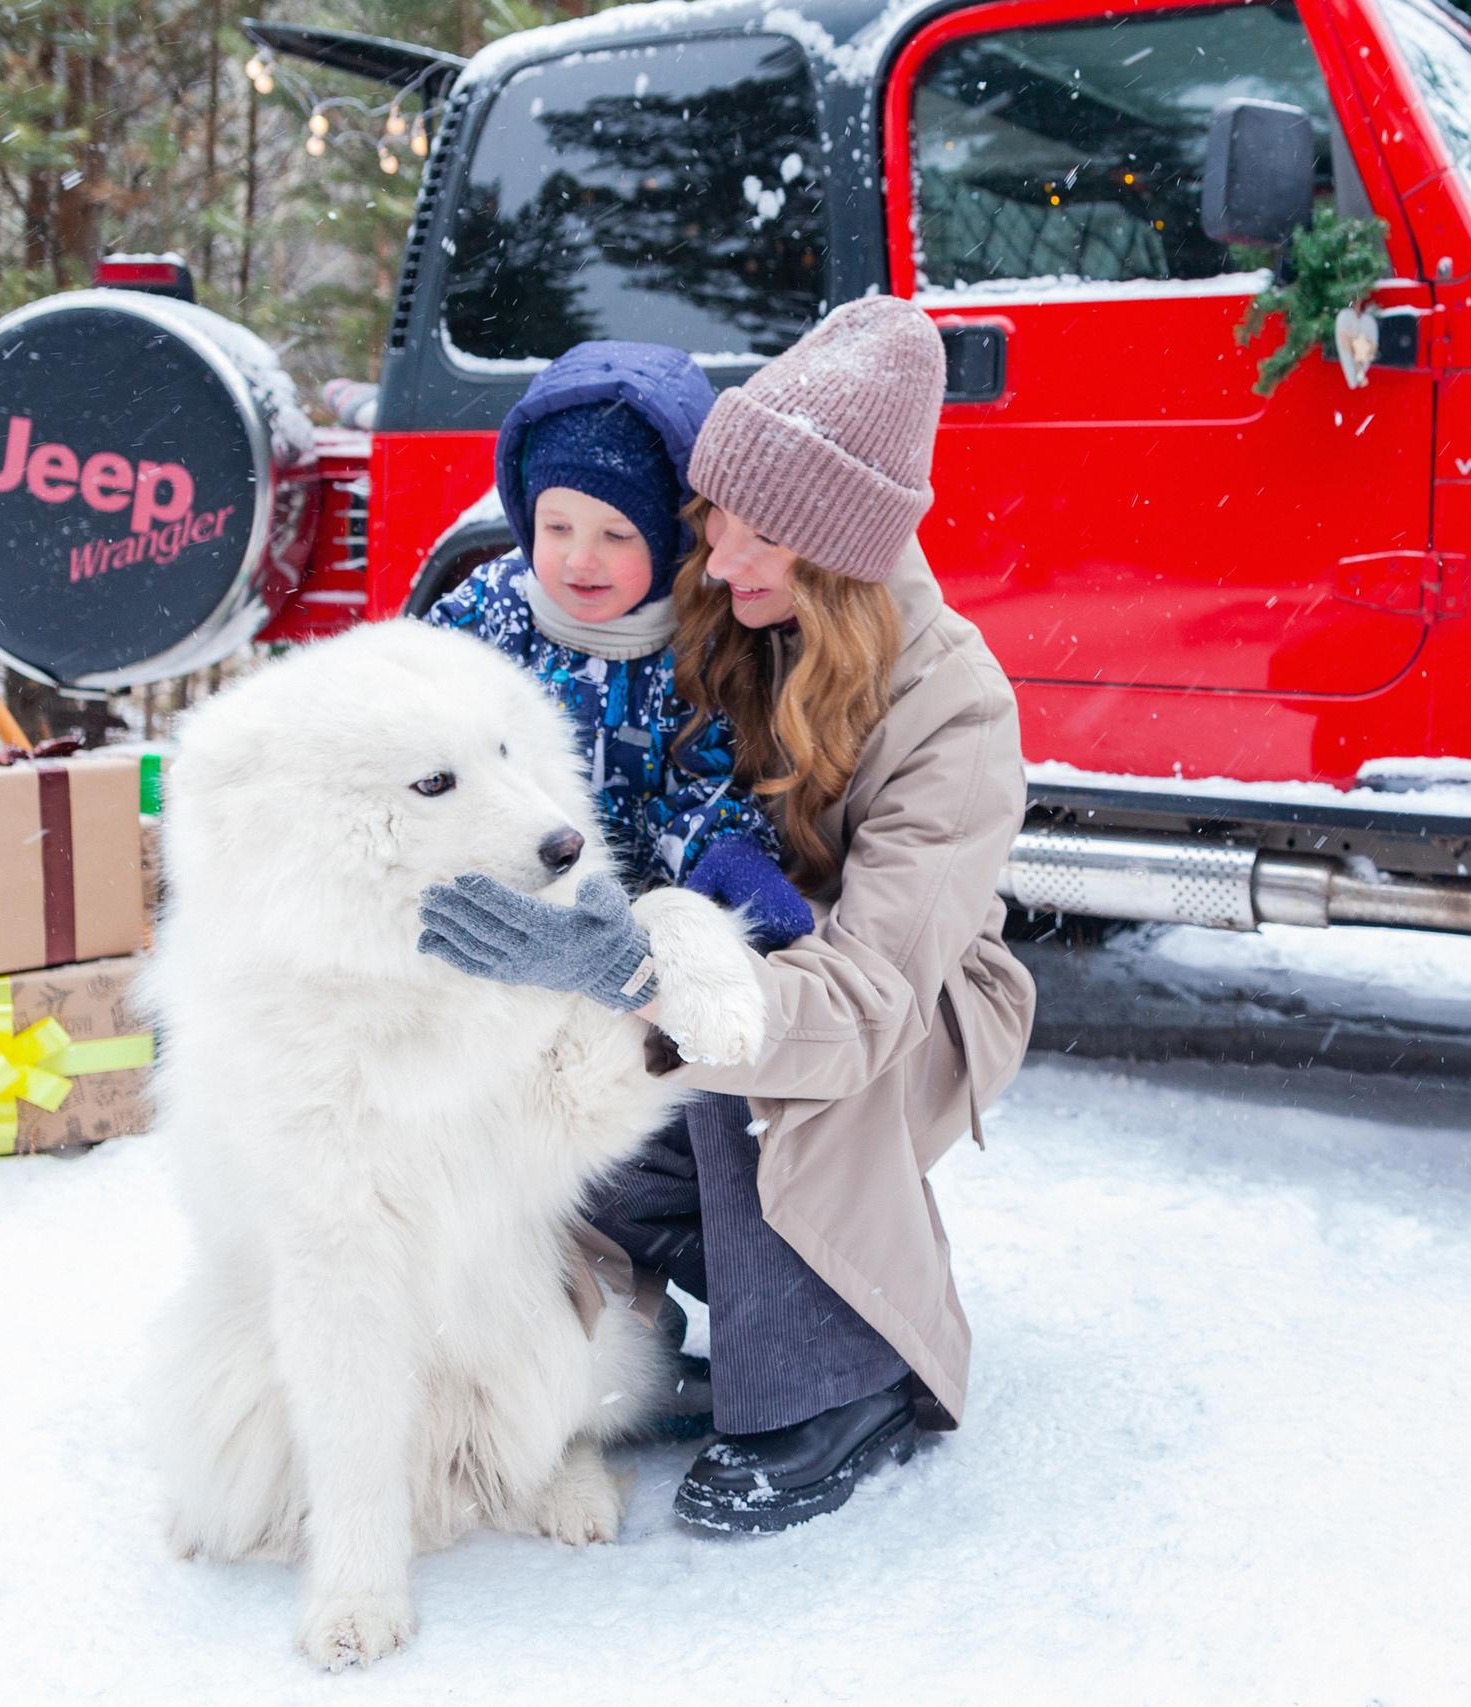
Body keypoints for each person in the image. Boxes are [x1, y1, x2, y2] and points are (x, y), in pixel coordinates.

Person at [416, 297, 1038, 1534]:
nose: (720, 562)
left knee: (727, 1085)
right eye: (714, 528)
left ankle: (830, 1376)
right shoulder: (736, 607)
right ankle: (606, 1333)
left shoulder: (955, 713)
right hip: (686, 954)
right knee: (546, 1099)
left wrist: (625, 967)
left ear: (840, 556)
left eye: (758, 543)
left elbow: (863, 1001)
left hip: (890, 1013)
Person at [421, 340, 809, 947]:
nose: (580, 558)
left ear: (670, 538)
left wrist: (729, 852)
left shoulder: (699, 643)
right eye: (555, 527)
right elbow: (409, 718)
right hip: (503, 909)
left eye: (616, 534)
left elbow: (703, 785)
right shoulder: (488, 613)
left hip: (630, 930)